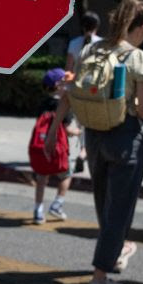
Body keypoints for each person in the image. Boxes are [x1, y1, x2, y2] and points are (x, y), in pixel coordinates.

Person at [48, 0, 143, 284]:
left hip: (94, 136)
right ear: (142, 26)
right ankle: (99, 277)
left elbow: (71, 90)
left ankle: (115, 251)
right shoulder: (138, 58)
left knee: (104, 203)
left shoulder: (92, 49)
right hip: (126, 139)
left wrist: (54, 129)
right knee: (119, 210)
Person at [29, 67, 81, 223]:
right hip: (58, 149)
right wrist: (78, 132)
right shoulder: (64, 105)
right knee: (66, 175)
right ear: (59, 84)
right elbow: (66, 129)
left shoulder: (43, 103)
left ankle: (38, 211)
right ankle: (57, 204)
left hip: (41, 147)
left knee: (41, 177)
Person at [65, 11, 102, 172]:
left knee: (80, 122)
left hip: (76, 89)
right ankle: (84, 151)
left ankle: (82, 150)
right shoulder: (102, 44)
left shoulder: (74, 43)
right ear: (97, 27)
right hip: (94, 89)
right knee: (90, 123)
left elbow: (68, 70)